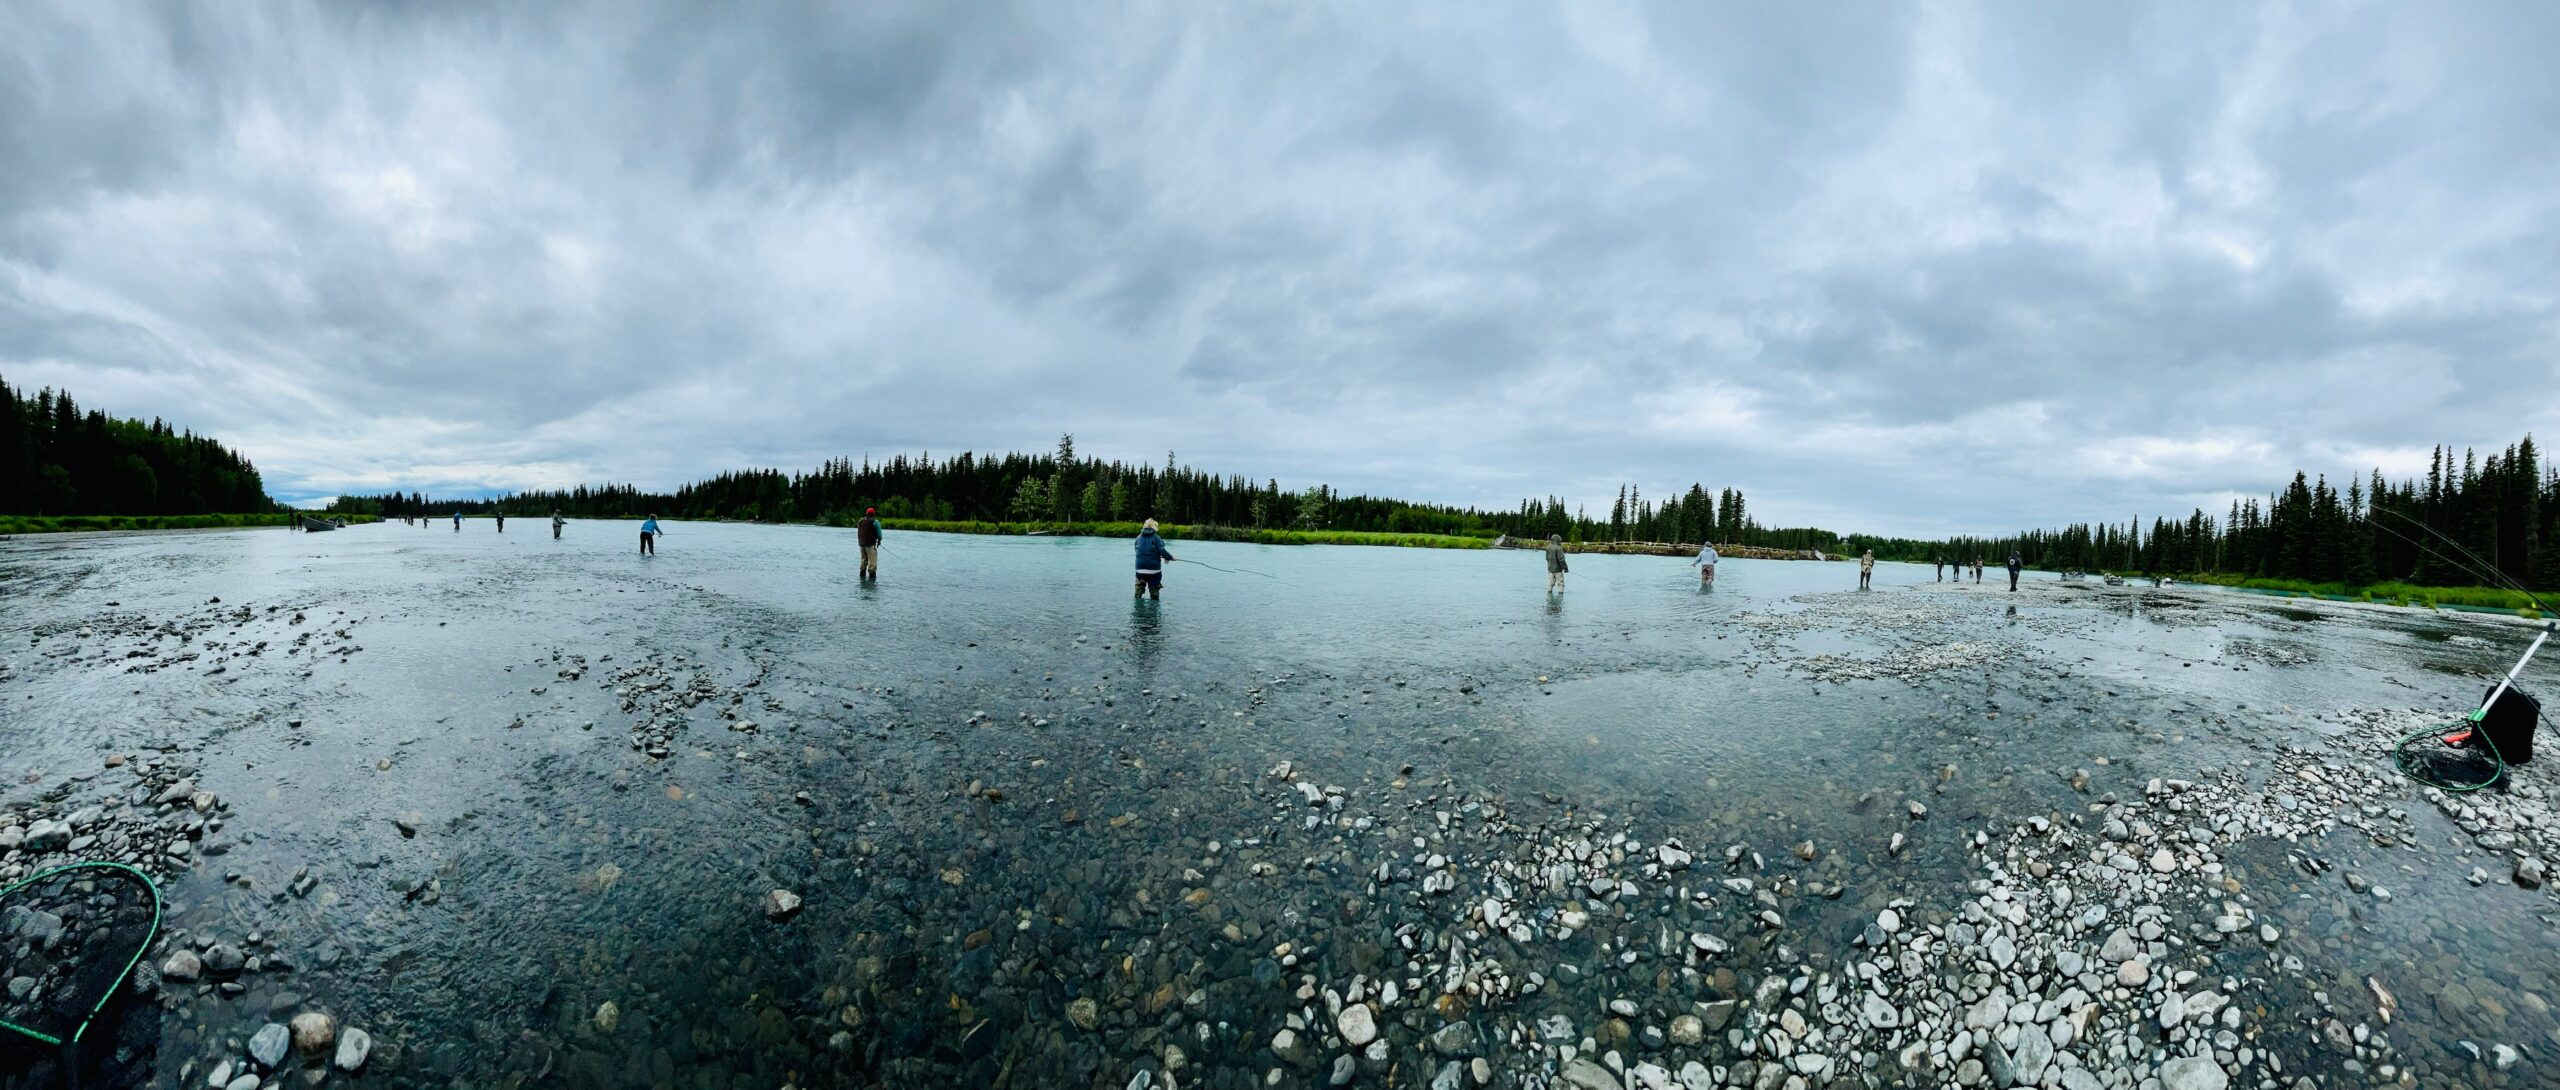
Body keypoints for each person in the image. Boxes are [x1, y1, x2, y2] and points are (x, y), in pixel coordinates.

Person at [1134, 518, 1175, 599]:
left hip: (1140, 569)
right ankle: (1154, 606)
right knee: (1154, 590)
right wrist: (1170, 557)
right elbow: (1162, 550)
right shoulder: (1156, 537)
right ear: (1154, 526)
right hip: (1154, 570)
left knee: (1139, 588)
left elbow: (1137, 551)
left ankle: (1138, 597)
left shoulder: (1138, 538)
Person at [856, 507, 883, 580]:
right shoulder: (875, 521)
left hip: (861, 544)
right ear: (873, 514)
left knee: (863, 561)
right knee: (872, 563)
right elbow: (879, 535)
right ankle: (872, 580)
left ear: (866, 514)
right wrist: (879, 541)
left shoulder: (860, 521)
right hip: (870, 545)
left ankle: (862, 577)